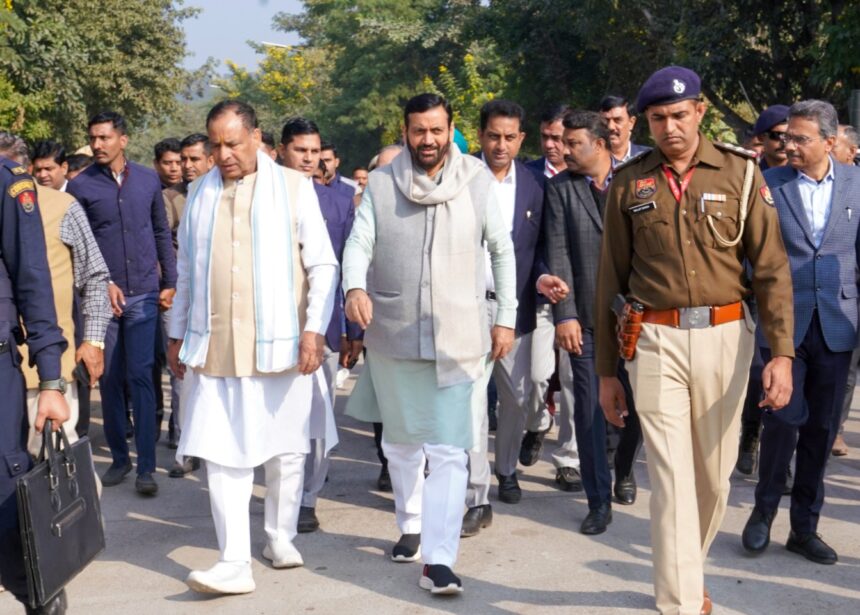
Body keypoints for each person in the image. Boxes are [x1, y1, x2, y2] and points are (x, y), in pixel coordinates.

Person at [595, 66, 794, 615]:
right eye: (658, 118)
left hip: (727, 339)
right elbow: (609, 279)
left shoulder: (740, 174)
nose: (670, 127)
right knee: (671, 479)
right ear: (646, 123)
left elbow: (772, 269)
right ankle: (680, 603)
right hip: (653, 340)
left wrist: (782, 353)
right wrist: (607, 371)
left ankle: (688, 567)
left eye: (679, 115)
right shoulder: (629, 182)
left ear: (701, 112)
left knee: (713, 478)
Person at [343, 93, 516, 594]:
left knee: (448, 449)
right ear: (405, 130)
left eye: (436, 130)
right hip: (394, 330)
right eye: (418, 130)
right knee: (400, 443)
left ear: (450, 129)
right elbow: (359, 242)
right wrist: (355, 286)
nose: (428, 140)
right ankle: (410, 524)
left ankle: (439, 560)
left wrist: (504, 318)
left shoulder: (477, 180)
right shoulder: (380, 183)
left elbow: (501, 253)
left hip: (460, 334)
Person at [167, 100, 338, 594]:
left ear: (257, 137)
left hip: (282, 343)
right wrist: (177, 333)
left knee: (285, 449)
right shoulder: (198, 193)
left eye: (232, 144)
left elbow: (322, 265)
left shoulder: (293, 187)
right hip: (215, 342)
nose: (222, 155)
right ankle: (233, 560)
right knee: (222, 452)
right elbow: (186, 272)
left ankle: (279, 535)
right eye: (215, 144)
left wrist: (314, 329)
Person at [741, 100, 860, 566]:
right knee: (781, 425)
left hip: (837, 327)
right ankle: (762, 515)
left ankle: (804, 529)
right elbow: (752, 258)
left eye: (800, 138)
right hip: (782, 329)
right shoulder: (767, 185)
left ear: (829, 143)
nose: (788, 145)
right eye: (786, 137)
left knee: (820, 431)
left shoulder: (855, 185)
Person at [464, 99, 565, 536]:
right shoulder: (460, 179)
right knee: (467, 401)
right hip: (464, 307)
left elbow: (540, 249)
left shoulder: (535, 186)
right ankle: (473, 486)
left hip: (516, 308)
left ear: (521, 138)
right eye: (493, 135)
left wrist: (542, 278)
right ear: (481, 135)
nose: (500, 145)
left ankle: (506, 468)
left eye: (509, 137)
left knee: (517, 396)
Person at [68, 111, 177, 496]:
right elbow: (78, 249)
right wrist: (103, 283)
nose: (97, 145)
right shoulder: (79, 188)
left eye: (104, 138)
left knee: (142, 376)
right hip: (102, 300)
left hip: (146, 294)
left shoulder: (148, 180)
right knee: (110, 378)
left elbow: (161, 232)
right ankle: (119, 459)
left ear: (123, 140)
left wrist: (171, 282)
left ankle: (147, 466)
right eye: (93, 138)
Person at [543, 110, 640, 535]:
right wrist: (564, 316)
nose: (564, 150)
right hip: (583, 318)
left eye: (573, 144)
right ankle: (598, 500)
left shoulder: (636, 179)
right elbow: (559, 251)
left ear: (599, 145)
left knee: (636, 406)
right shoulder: (559, 190)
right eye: (563, 143)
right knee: (587, 409)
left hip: (638, 318)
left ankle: (623, 471)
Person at [0, 134, 111, 458]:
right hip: (6, 364)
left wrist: (93, 341)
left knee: (55, 470)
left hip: (48, 369)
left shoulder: (61, 207)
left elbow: (94, 276)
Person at [278, 116, 361, 534]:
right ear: (281, 150)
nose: (309, 159)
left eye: (314, 151)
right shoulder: (267, 196)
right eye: (300, 150)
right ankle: (282, 495)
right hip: (273, 327)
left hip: (325, 329)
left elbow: (348, 267)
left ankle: (307, 498)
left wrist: (351, 331)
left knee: (317, 418)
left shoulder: (338, 201)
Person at [0, 153, 71, 614]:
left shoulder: (7, 184)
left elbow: (32, 279)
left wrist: (50, 379)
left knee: (6, 500)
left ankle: (37, 595)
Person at [524, 103, 584, 492]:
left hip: (579, 298)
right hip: (537, 294)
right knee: (533, 376)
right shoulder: (527, 177)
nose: (552, 145)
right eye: (546, 137)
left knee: (575, 380)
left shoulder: (587, 178)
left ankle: (569, 459)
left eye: (560, 139)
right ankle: (535, 423)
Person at [598, 95, 652, 167]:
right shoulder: (588, 160)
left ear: (631, 123)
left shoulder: (648, 158)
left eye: (617, 120)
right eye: (605, 120)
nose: (610, 127)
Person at [753, 105, 790, 172]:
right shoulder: (749, 173)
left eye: (790, 136)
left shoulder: (806, 176)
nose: (785, 143)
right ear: (761, 137)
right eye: (778, 135)